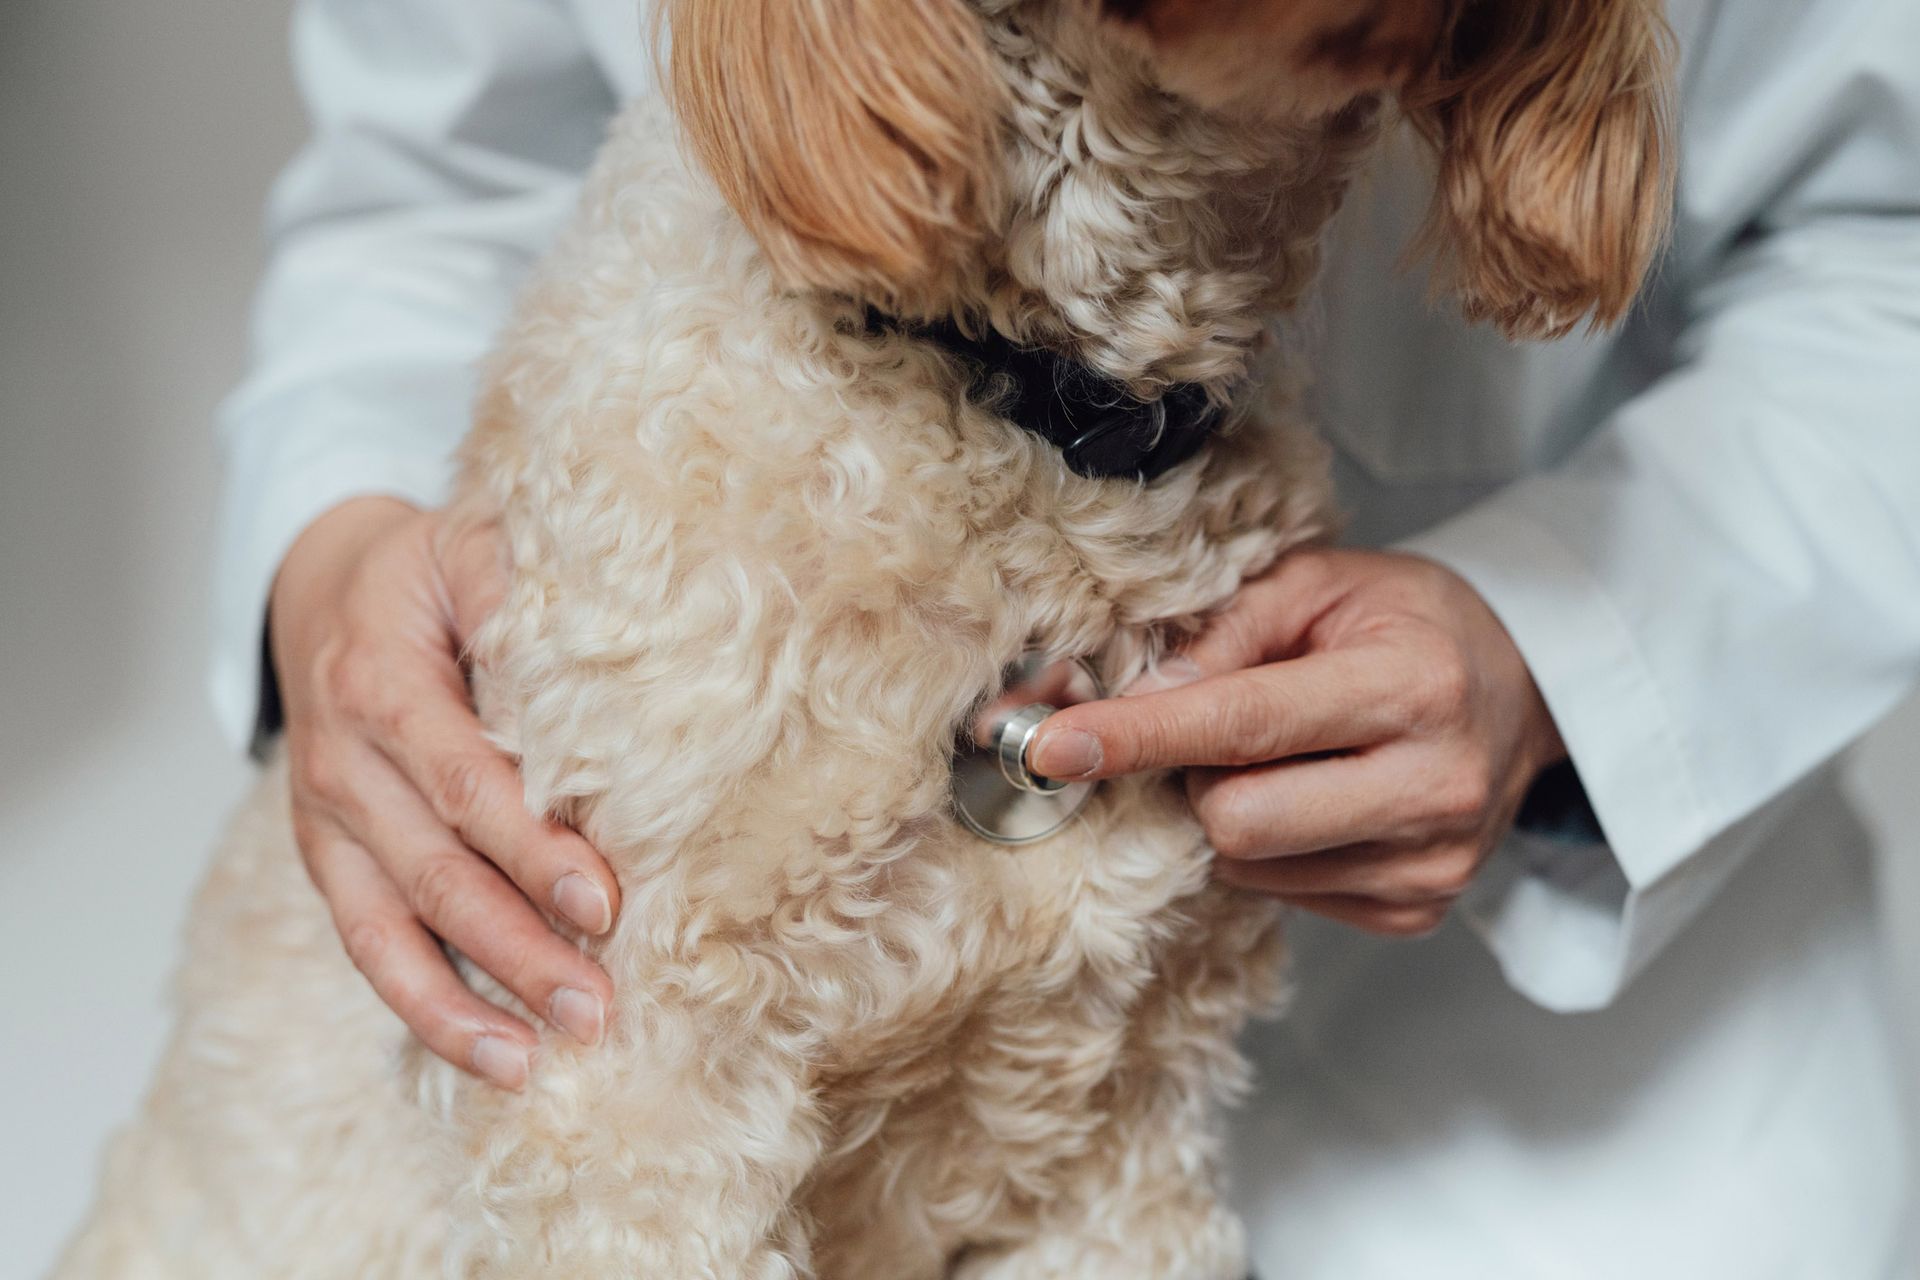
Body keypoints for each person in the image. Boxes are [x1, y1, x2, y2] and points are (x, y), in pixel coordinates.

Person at [214, 0, 1920, 1272]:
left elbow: (1891, 238)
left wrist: (1580, 655)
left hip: (1597, 1139)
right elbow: (438, 183)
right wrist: (339, 546)